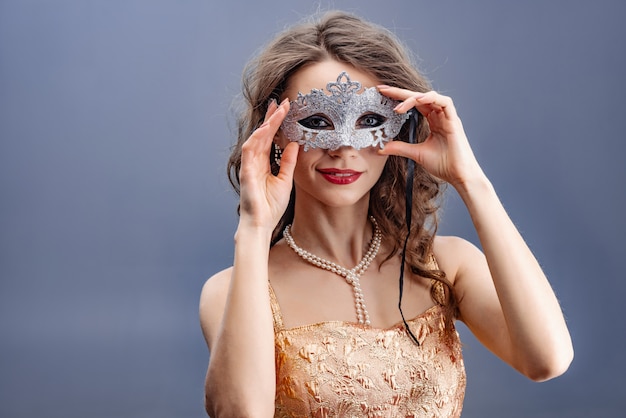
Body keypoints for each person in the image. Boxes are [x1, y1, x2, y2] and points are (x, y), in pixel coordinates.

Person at [199, 10, 573, 417]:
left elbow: (547, 360)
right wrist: (253, 229)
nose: (343, 148)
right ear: (273, 133)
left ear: (400, 125)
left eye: (369, 120)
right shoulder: (231, 291)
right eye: (317, 121)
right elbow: (241, 413)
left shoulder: (446, 265)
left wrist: (471, 181)